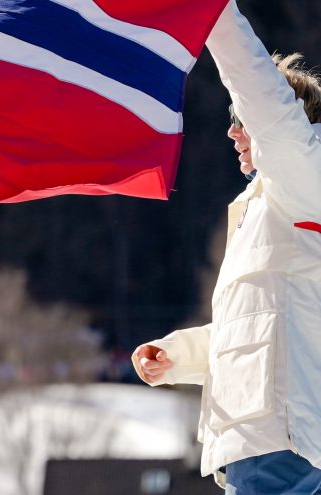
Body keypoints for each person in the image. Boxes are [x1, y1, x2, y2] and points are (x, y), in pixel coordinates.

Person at [131, 1, 321, 493]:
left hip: (283, 439)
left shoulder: (306, 175)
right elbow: (259, 326)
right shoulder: (272, 208)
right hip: (267, 437)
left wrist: (214, 13)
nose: (232, 131)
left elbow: (260, 93)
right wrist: (178, 355)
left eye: (241, 116)